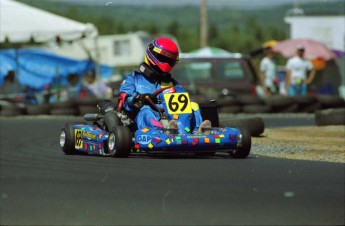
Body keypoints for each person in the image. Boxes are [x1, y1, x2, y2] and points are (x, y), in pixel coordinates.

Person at [115, 37, 211, 134]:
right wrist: (138, 99)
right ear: (152, 54)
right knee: (145, 110)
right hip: (139, 122)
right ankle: (160, 132)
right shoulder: (133, 79)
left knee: (193, 106)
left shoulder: (171, 83)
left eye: (170, 61)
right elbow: (124, 102)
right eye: (163, 58)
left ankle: (196, 131)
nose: (167, 63)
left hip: (170, 120)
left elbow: (181, 100)